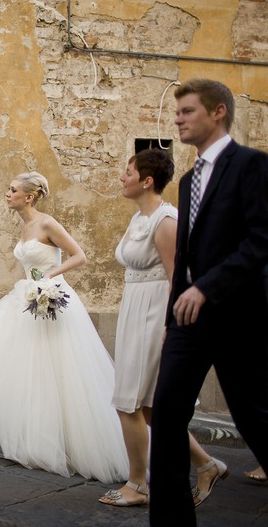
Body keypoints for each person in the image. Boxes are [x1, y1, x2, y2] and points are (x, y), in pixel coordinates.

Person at [0, 171, 129, 483]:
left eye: (12, 190)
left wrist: (51, 278)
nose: (6, 193)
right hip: (28, 296)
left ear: (29, 196)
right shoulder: (24, 225)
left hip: (52, 297)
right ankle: (25, 431)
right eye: (7, 188)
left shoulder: (47, 222)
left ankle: (62, 440)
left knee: (57, 369)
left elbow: (79, 255)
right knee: (20, 366)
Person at [149, 79, 268, 525]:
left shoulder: (251, 166)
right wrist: (173, 313)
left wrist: (208, 287)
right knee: (166, 413)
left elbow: (260, 241)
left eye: (187, 111)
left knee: (254, 417)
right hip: (187, 322)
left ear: (218, 113)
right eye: (177, 112)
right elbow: (186, 256)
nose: (178, 119)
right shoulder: (188, 179)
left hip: (237, 317)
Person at [99, 149, 224, 508]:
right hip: (133, 308)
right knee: (153, 409)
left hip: (155, 315)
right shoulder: (139, 216)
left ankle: (138, 484)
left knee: (129, 403)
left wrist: (172, 326)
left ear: (147, 180)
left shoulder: (166, 220)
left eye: (127, 172)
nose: (122, 178)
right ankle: (207, 464)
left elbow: (177, 278)